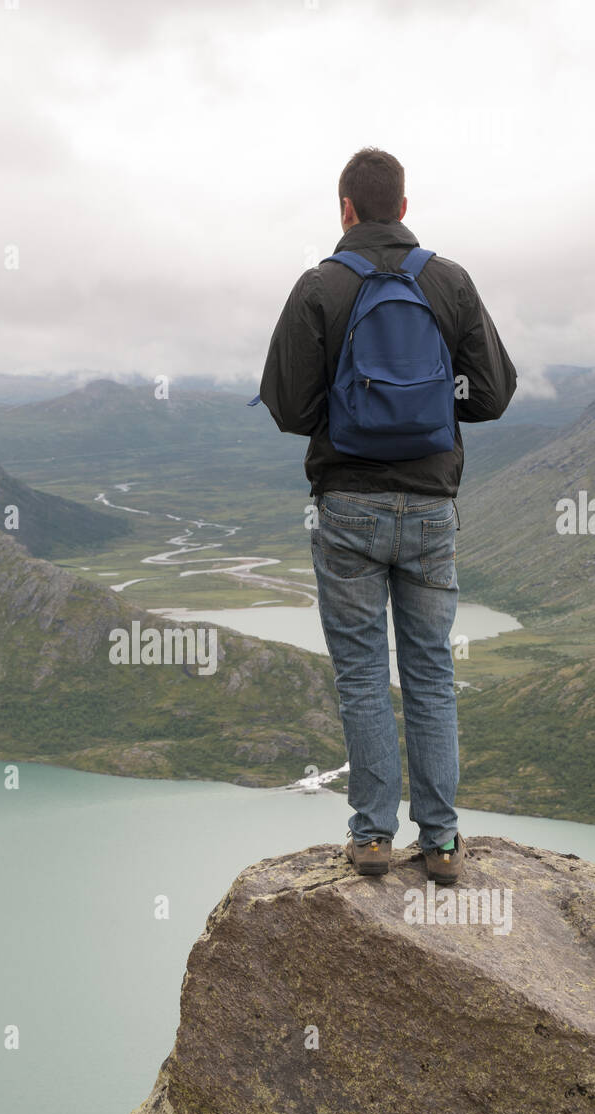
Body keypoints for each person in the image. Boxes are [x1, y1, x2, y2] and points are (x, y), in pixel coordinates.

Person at [260, 148, 516, 883]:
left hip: (345, 506)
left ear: (344, 208)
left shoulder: (319, 286)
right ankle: (438, 842)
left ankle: (372, 837)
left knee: (363, 676)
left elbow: (287, 406)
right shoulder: (448, 280)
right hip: (431, 506)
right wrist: (430, 406)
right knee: (432, 673)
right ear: (403, 208)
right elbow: (492, 395)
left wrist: (353, 411)